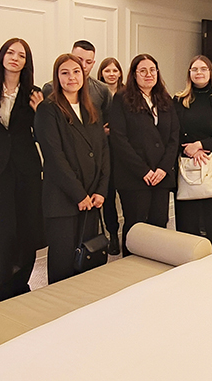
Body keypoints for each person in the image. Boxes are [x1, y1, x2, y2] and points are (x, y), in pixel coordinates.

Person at [34, 54, 108, 284]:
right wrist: (79, 195)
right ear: (57, 77)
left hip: (91, 197)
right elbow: (54, 158)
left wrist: (101, 190)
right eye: (64, 73)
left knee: (87, 259)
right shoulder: (48, 109)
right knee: (63, 262)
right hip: (63, 198)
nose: (72, 77)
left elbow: (103, 152)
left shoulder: (91, 108)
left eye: (76, 72)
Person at [0, 38, 45, 304]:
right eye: (11, 53)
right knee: (0, 233)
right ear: (2, 57)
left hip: (26, 169)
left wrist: (40, 111)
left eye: (21, 55)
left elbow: (42, 133)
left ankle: (21, 286)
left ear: (26, 62)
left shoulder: (34, 93)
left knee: (26, 230)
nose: (15, 58)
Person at [108, 54, 180, 255]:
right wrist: (143, 171)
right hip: (134, 176)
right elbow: (119, 139)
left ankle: (154, 266)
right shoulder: (121, 99)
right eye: (143, 71)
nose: (149, 74)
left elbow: (174, 136)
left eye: (152, 70)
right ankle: (131, 267)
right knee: (136, 225)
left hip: (161, 175)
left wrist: (163, 168)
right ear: (134, 74)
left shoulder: (165, 99)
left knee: (159, 223)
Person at [173, 55, 212, 254]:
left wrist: (200, 145)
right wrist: (188, 148)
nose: (199, 73)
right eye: (195, 69)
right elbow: (172, 133)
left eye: (203, 69)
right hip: (186, 167)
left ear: (210, 73)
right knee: (187, 225)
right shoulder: (179, 100)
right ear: (189, 74)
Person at [42, 40, 111, 125]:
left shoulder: (102, 89)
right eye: (79, 60)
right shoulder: (50, 88)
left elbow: (106, 121)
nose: (83, 65)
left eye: (88, 62)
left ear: (93, 63)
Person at [96, 57, 124, 254]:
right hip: (105, 151)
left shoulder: (127, 93)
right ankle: (112, 235)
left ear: (120, 73)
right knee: (108, 196)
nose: (112, 74)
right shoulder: (96, 94)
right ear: (101, 74)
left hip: (123, 152)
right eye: (107, 71)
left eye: (115, 70)